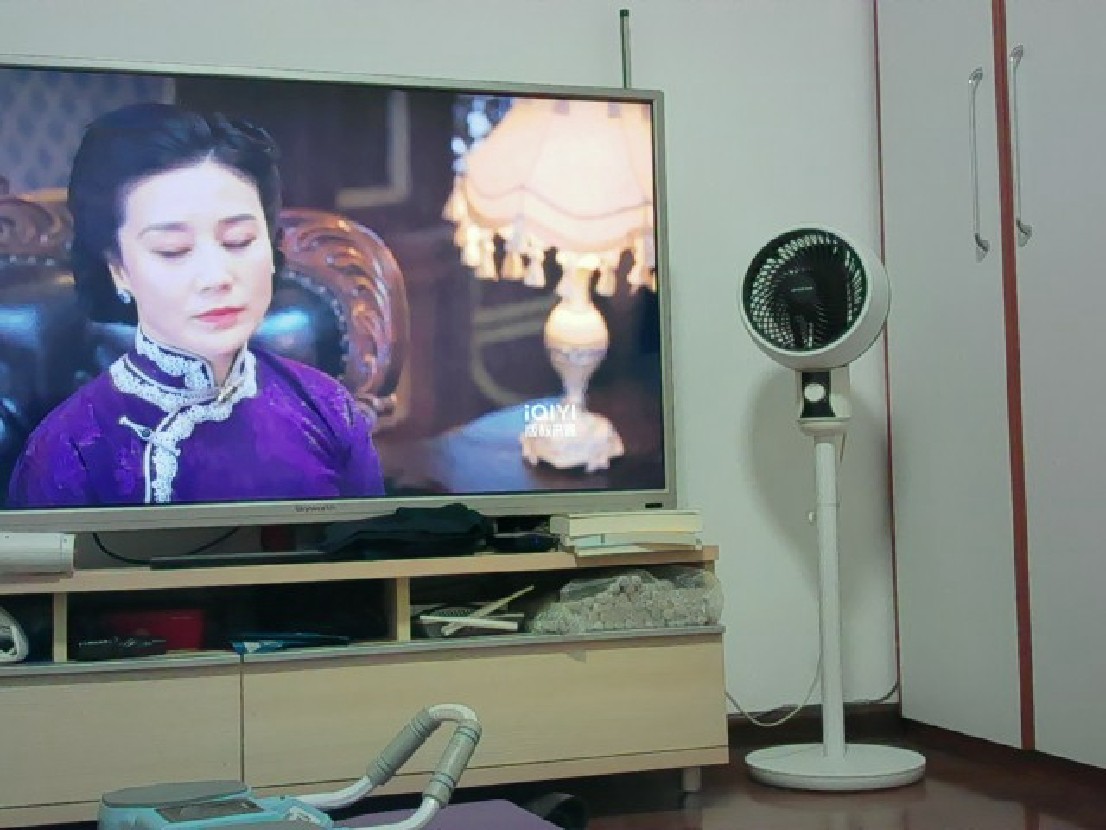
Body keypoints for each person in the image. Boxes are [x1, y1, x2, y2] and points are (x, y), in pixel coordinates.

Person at [7, 102, 385, 507]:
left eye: (239, 241)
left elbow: (369, 544)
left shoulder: (327, 409)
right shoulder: (68, 450)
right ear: (118, 269)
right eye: (173, 250)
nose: (216, 277)